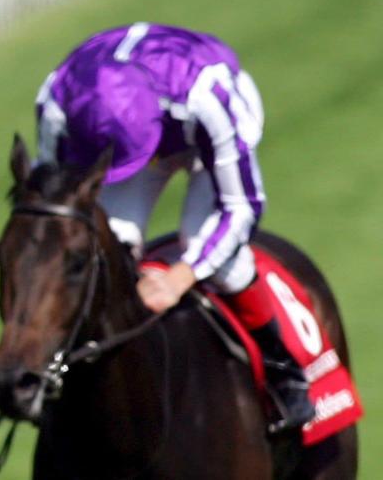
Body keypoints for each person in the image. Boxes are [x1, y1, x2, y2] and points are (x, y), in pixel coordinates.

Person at [35, 22, 315, 433]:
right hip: (124, 132)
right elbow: (56, 213)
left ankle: (283, 371)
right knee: (103, 250)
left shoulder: (210, 95)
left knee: (218, 259)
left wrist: (179, 278)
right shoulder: (57, 103)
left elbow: (243, 207)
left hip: (202, 127)